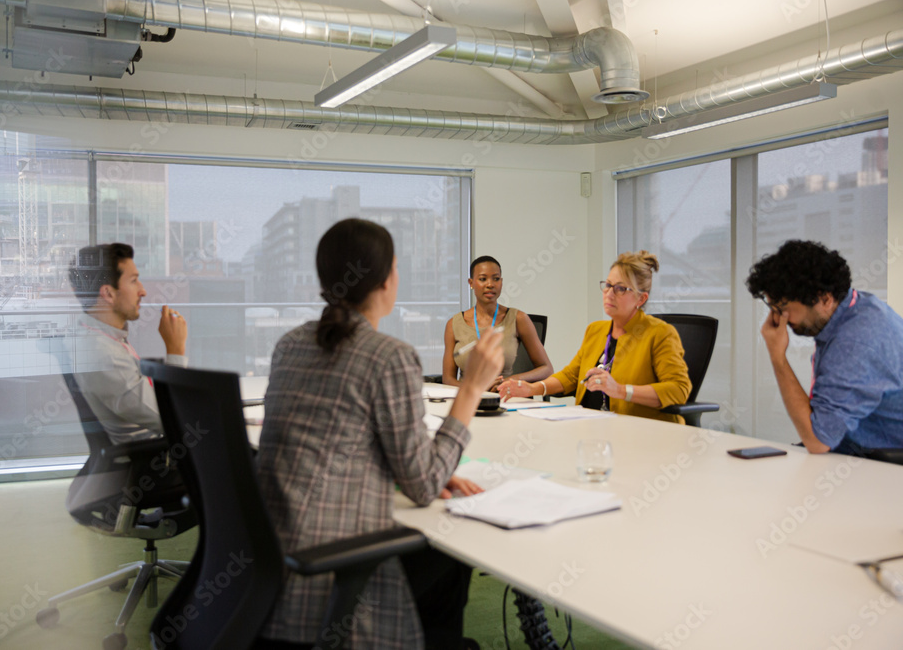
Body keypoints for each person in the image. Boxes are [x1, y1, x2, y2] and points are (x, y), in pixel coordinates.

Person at [255, 219, 504, 650]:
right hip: (332, 574)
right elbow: (424, 485)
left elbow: (340, 439)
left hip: (269, 571)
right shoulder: (389, 356)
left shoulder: (290, 345)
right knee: (447, 552)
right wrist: (472, 389)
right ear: (388, 278)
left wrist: (409, 466)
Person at [746, 240, 903, 455]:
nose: (777, 318)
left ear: (824, 298)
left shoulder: (854, 343)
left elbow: (818, 440)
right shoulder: (858, 307)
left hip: (881, 463)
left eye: (783, 308)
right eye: (772, 307)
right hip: (854, 447)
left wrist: (777, 356)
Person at [498, 251, 691, 423]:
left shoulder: (660, 334)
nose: (609, 293)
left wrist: (621, 391)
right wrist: (533, 389)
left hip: (639, 431)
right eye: (608, 285)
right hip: (591, 426)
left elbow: (679, 390)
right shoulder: (596, 330)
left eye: (620, 289)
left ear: (641, 299)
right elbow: (571, 376)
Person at [68, 243, 188, 444]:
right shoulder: (104, 355)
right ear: (108, 293)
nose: (143, 291)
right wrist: (175, 350)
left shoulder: (100, 338)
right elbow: (177, 420)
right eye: (134, 281)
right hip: (159, 460)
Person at [442, 255, 552, 391]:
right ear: (471, 283)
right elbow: (448, 379)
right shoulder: (454, 324)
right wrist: (476, 388)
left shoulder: (518, 318)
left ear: (501, 282)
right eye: (483, 279)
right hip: (466, 398)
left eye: (496, 279)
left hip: (505, 396)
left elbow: (546, 369)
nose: (490, 284)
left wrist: (508, 381)